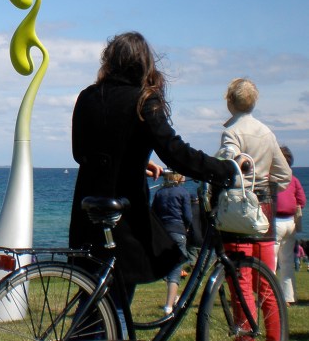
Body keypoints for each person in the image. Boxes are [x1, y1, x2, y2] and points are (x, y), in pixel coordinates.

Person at [69, 32, 235, 306]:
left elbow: (81, 152)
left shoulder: (87, 96)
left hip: (86, 211)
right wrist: (221, 169)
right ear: (144, 63)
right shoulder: (143, 100)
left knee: (94, 304)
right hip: (123, 213)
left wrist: (131, 158)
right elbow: (175, 152)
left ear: (109, 60)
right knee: (116, 307)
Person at [216, 77, 291, 340]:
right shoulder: (266, 133)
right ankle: (275, 336)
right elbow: (284, 175)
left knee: (241, 283)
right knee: (267, 283)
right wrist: (263, 184)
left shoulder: (232, 132)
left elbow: (230, 162)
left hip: (240, 211)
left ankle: (246, 336)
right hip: (265, 210)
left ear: (230, 101)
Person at [151, 171, 192, 314]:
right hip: (178, 231)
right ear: (180, 177)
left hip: (163, 233)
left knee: (165, 266)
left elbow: (153, 213)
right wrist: (187, 227)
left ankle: (173, 297)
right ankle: (169, 305)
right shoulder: (183, 193)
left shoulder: (159, 193)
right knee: (176, 269)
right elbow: (187, 216)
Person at [273, 145, 305, 305]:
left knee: (271, 261)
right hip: (290, 222)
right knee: (287, 262)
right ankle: (289, 296)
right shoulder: (294, 179)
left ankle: (270, 297)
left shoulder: (271, 177)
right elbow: (302, 201)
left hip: (275, 221)